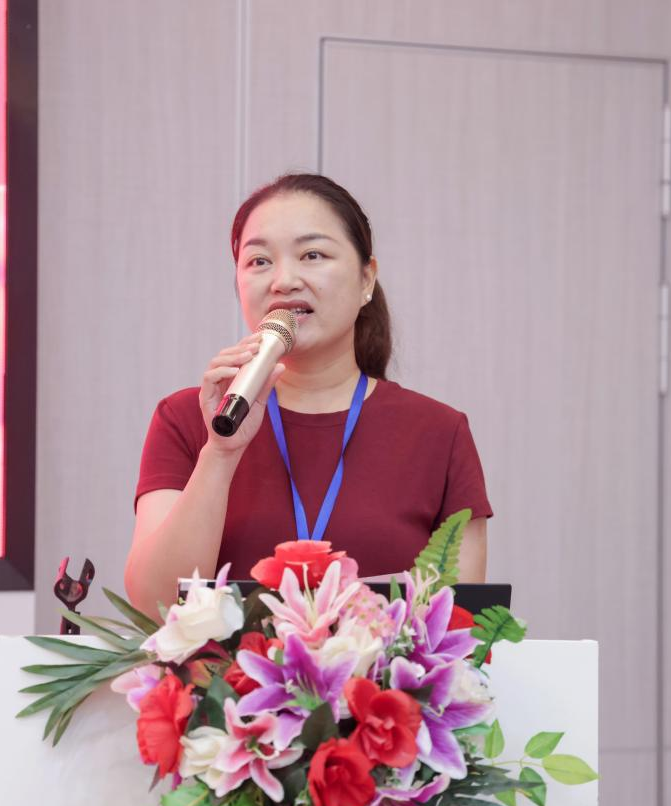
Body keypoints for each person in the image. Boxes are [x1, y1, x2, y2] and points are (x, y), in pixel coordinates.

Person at [125, 174, 491, 615]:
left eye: (312, 255)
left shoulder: (439, 432)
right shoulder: (188, 418)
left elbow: (457, 623)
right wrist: (220, 454)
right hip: (221, 666)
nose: (283, 280)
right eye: (259, 261)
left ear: (366, 279)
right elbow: (155, 606)